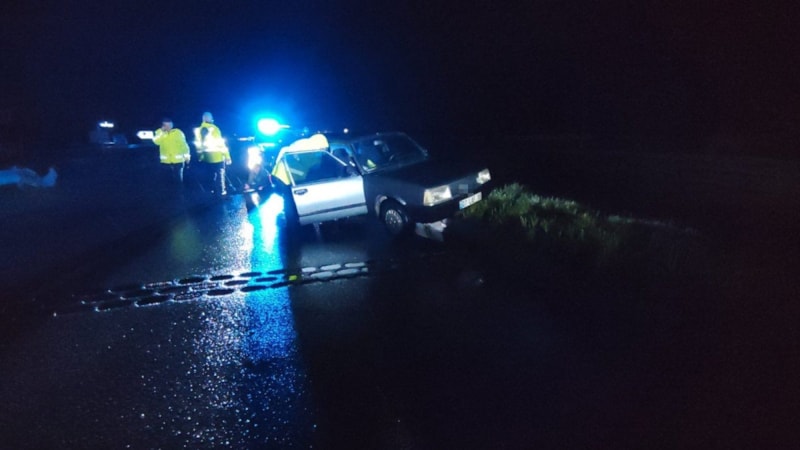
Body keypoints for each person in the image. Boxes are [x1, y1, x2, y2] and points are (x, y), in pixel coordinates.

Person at [193, 111, 231, 196]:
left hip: (206, 158)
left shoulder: (198, 130)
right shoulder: (214, 129)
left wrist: (200, 156)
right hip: (217, 156)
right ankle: (221, 193)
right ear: (210, 118)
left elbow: (198, 146)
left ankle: (212, 192)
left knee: (209, 176)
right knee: (220, 176)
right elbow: (220, 144)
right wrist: (227, 156)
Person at [152, 118, 191, 185]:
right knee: (167, 181)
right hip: (165, 162)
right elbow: (156, 142)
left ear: (172, 125)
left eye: (169, 125)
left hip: (178, 161)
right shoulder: (159, 133)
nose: (168, 127)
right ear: (163, 126)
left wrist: (187, 157)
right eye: (165, 125)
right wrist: (162, 132)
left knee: (178, 181)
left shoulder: (178, 132)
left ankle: (180, 191)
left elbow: (184, 145)